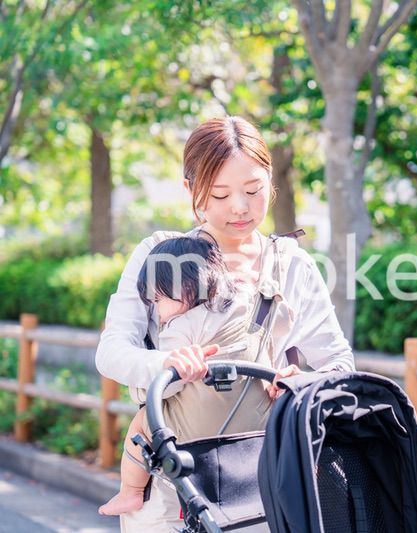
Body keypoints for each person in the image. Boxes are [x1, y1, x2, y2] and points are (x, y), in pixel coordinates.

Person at [95, 116, 355, 531]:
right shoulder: (160, 254)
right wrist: (168, 367)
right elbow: (111, 352)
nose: (240, 206)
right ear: (190, 190)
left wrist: (301, 383)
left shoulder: (293, 265)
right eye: (219, 194)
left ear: (270, 182)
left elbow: (339, 362)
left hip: (257, 487)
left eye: (253, 191)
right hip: (170, 486)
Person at [98, 235, 239, 516]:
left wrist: (142, 390)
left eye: (160, 299)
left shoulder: (179, 327)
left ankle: (131, 491)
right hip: (234, 420)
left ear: (186, 289)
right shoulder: (231, 311)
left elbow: (168, 386)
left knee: (141, 422)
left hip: (189, 424)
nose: (158, 311)